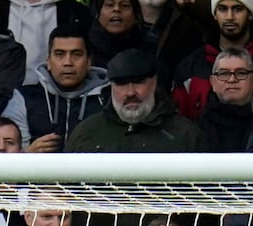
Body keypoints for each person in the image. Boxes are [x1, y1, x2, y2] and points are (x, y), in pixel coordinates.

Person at [63, 49, 206, 153]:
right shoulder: (85, 134)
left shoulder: (186, 135)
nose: (130, 92)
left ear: (154, 83)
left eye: (138, 82)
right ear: (111, 87)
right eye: (122, 84)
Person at [1, 25, 106, 150]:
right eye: (60, 54)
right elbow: (6, 154)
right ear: (49, 62)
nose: (68, 62)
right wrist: (27, 155)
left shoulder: (107, 99)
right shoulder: (24, 98)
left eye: (76, 54)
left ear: (89, 62)